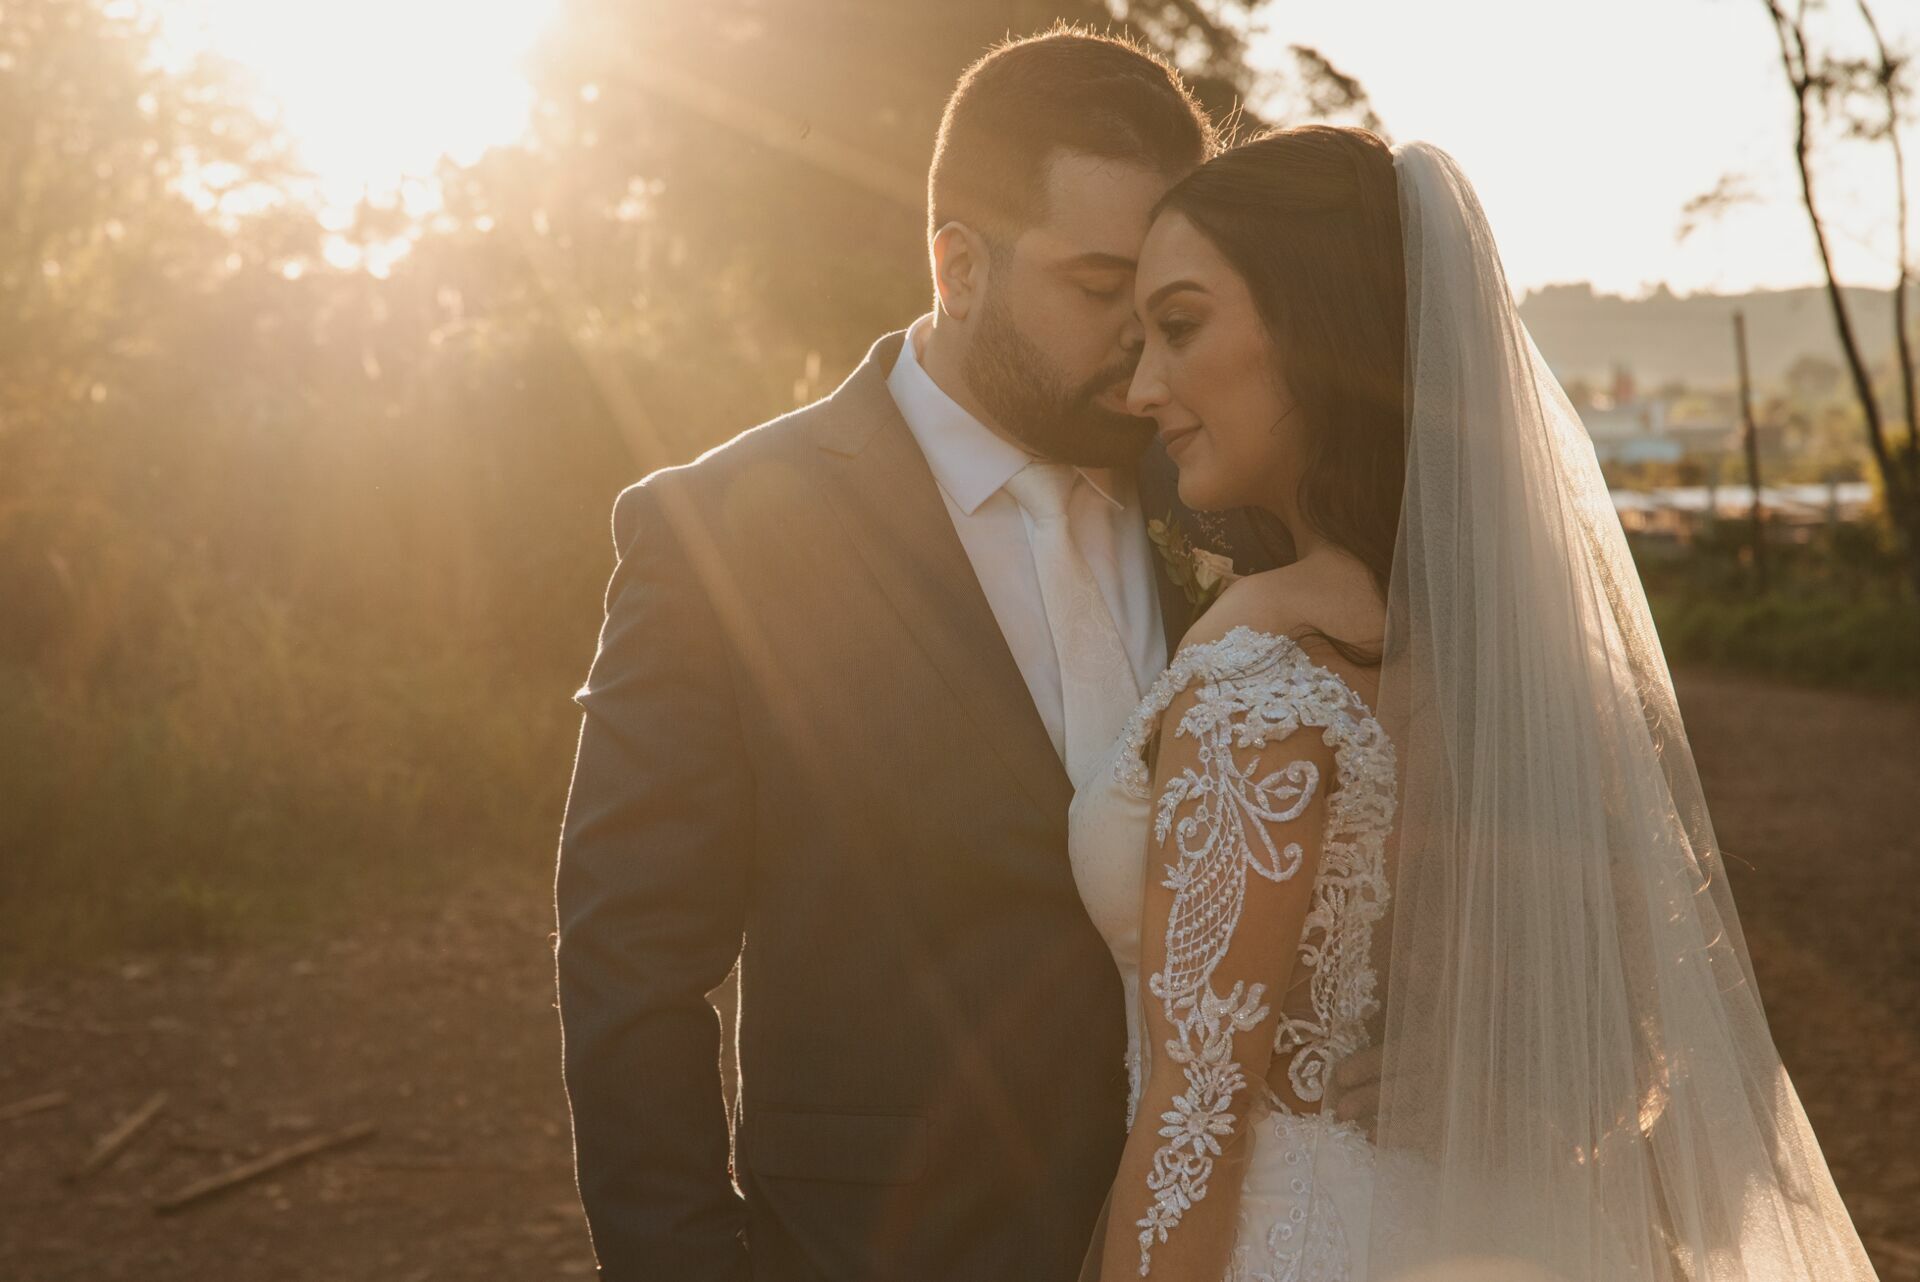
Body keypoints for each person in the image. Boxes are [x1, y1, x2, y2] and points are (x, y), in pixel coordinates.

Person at [1067, 124, 1880, 1281]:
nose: (1145, 385)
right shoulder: (1519, 654)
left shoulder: (1259, 666)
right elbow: (1617, 1040)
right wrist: (1495, 1085)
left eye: (1182, 325)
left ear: (1316, 322)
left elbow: (1196, 1121)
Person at [554, 28, 1243, 1282]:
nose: (1142, 346)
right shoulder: (716, 536)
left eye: (1162, 300)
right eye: (1100, 289)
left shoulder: (1222, 498)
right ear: (958, 266)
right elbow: (631, 973)